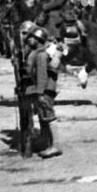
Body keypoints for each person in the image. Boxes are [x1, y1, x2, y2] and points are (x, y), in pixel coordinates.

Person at [26, 27, 63, 158]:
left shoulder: (41, 55)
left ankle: (56, 146)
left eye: (31, 38)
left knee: (49, 115)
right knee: (44, 116)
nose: (28, 40)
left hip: (45, 90)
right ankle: (48, 143)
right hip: (45, 89)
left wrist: (40, 93)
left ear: (38, 39)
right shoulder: (38, 52)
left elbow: (42, 75)